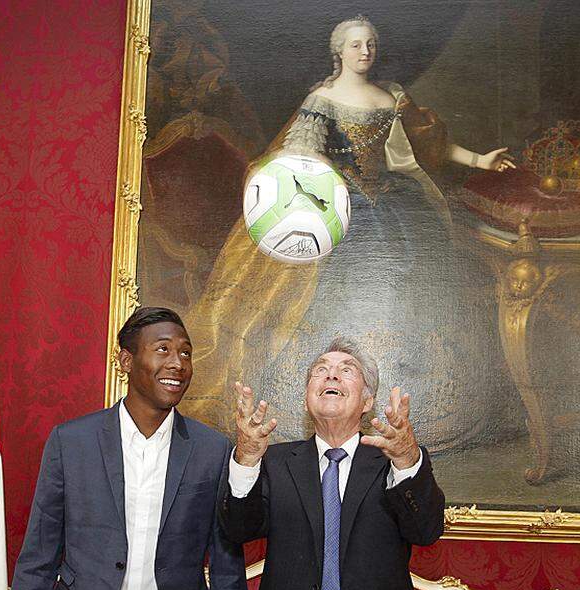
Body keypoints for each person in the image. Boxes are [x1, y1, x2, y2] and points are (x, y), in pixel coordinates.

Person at [181, 15, 519, 455]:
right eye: (356, 45)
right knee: (331, 294)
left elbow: (426, 145)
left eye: (371, 45)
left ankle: (412, 409)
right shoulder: (323, 98)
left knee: (411, 287)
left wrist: (479, 160)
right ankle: (324, 410)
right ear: (338, 51)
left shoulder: (392, 96)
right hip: (340, 205)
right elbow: (298, 153)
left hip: (395, 204)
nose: (365, 52)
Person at [0, 307, 250, 590]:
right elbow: (37, 563)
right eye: (163, 349)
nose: (177, 364)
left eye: (186, 353)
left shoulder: (211, 451)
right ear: (126, 361)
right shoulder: (70, 443)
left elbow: (226, 569)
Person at [219, 338, 445, 590]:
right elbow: (237, 529)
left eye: (347, 369)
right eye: (320, 370)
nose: (331, 374)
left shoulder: (394, 462)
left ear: (368, 401)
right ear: (308, 397)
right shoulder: (273, 461)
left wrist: (408, 460)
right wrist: (246, 459)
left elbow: (426, 529)